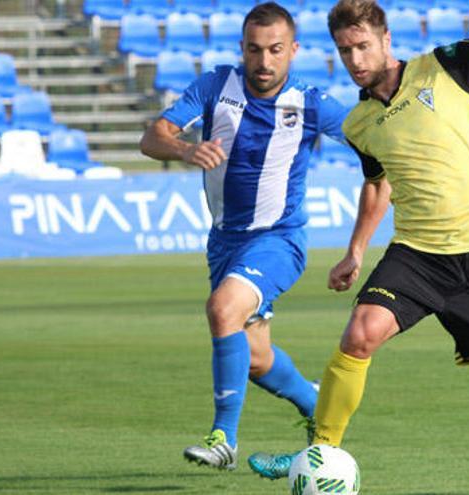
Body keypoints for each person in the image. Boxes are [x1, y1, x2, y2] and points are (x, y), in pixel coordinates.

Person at [247, 1, 469, 493]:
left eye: (363, 46)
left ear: (386, 40)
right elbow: (377, 184)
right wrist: (356, 251)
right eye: (345, 51)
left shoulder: (443, 66)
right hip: (417, 255)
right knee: (360, 333)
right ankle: (319, 449)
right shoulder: (359, 124)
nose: (356, 59)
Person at [139, 2, 349, 471]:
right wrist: (185, 148)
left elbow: (368, 136)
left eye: (275, 50)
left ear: (293, 50)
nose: (264, 61)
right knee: (254, 357)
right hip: (225, 241)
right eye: (254, 49)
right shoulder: (216, 85)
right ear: (242, 49)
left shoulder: (311, 102)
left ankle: (223, 440)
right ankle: (317, 405)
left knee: (222, 309)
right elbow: (153, 137)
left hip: (279, 239)